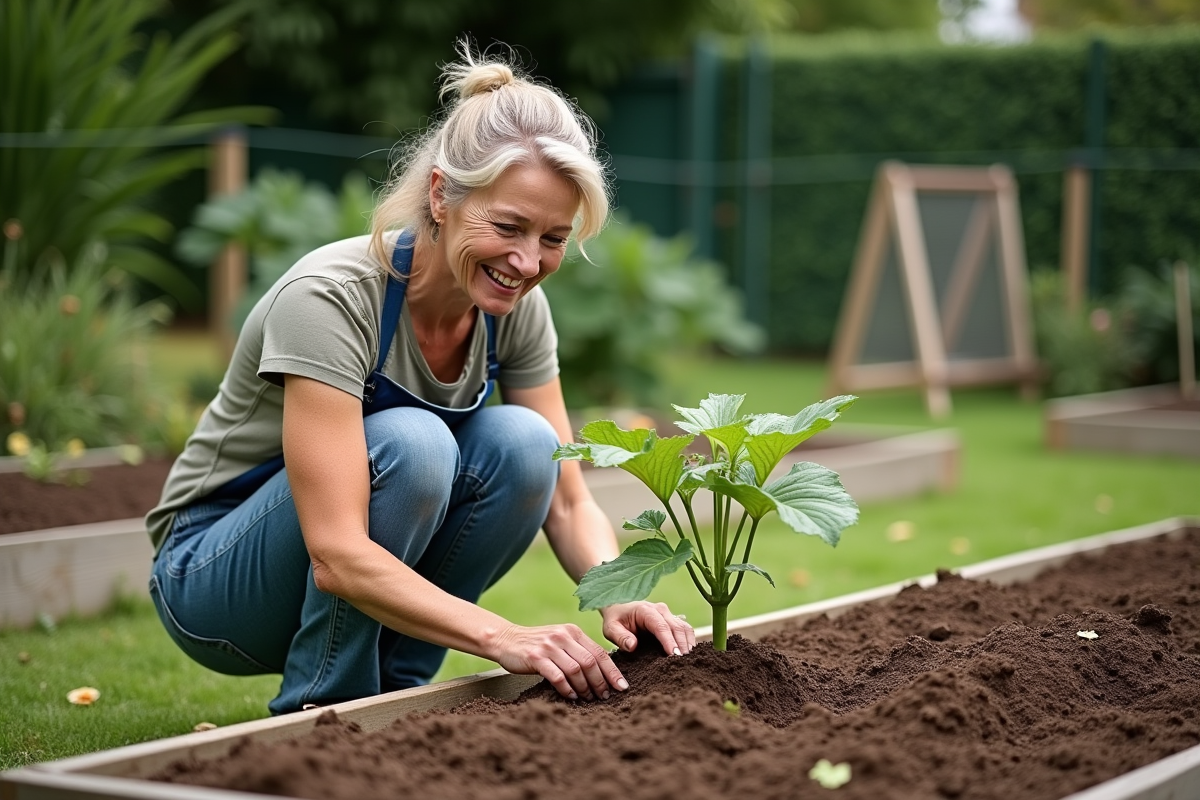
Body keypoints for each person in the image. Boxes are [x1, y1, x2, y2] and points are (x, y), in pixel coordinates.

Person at [145, 44, 694, 715]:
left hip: (334, 575)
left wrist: (619, 591)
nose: (527, 262)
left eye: (553, 238)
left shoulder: (517, 312)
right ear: (441, 195)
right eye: (509, 226)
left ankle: (400, 704)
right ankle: (326, 709)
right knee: (414, 444)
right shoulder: (332, 298)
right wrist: (504, 637)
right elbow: (337, 554)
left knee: (528, 446)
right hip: (213, 580)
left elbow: (569, 501)